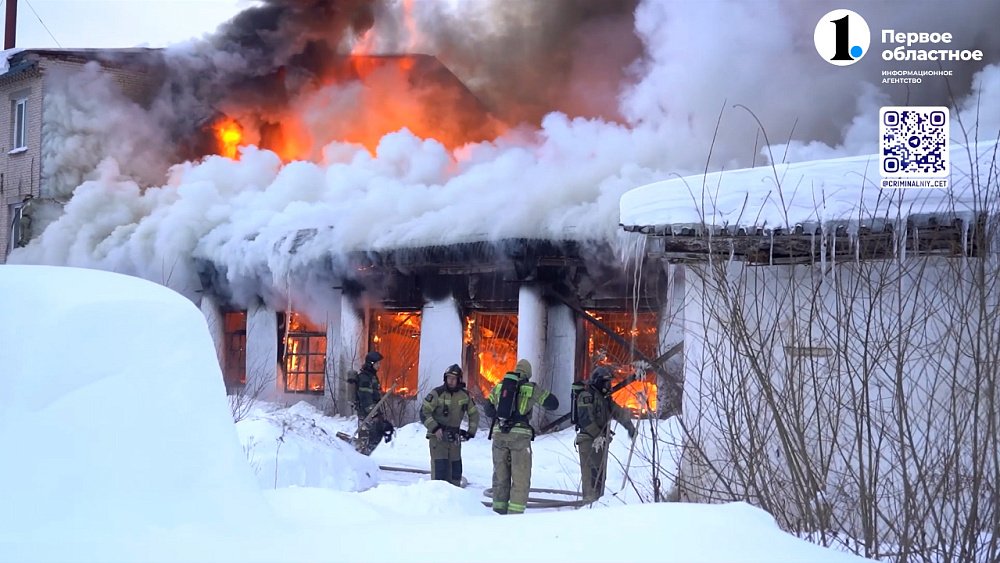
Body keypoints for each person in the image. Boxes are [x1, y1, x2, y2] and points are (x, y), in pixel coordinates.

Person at [483, 358, 558, 515]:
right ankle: (515, 517)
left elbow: (488, 409)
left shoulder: (499, 387)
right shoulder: (530, 388)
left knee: (500, 476)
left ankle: (498, 512)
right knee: (520, 478)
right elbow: (553, 404)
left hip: (499, 436)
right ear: (528, 373)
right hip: (519, 438)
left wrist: (501, 415)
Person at [575, 366, 637, 501]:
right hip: (588, 441)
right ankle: (589, 505)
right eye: (606, 382)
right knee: (591, 476)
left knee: (600, 475)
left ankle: (597, 504)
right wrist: (599, 435)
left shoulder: (605, 399)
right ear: (598, 381)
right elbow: (586, 420)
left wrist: (630, 427)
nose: (608, 386)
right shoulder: (586, 396)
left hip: (600, 441)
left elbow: (619, 413)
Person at [421, 364, 480, 486]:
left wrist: (470, 432)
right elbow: (424, 412)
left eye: (454, 378)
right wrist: (435, 428)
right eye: (449, 378)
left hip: (454, 439)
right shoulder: (437, 393)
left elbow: (474, 414)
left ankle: (453, 502)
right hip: (438, 439)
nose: (451, 381)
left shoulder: (465, 396)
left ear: (459, 379)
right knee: (440, 473)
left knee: (455, 472)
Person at [347, 351, 393, 454]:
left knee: (374, 438)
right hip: (366, 415)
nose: (379, 365)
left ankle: (363, 460)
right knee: (364, 442)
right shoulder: (365, 378)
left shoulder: (371, 376)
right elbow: (365, 398)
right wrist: (374, 414)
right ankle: (358, 461)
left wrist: (379, 416)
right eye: (377, 363)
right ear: (371, 364)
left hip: (372, 414)